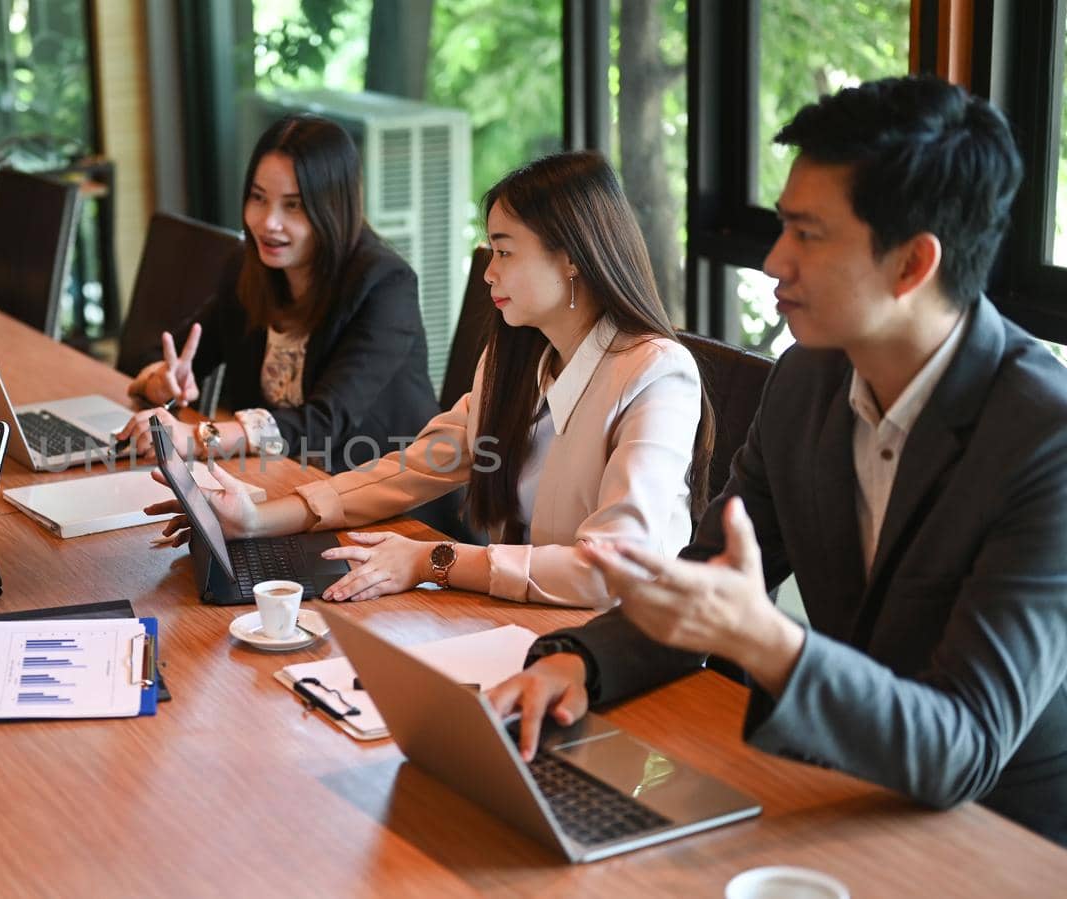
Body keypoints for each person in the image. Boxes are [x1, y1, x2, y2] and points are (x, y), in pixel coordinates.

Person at [488, 76, 1067, 845]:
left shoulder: (1045, 437)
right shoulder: (805, 379)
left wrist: (764, 637)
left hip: (997, 835)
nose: (772, 261)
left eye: (808, 234)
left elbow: (965, 745)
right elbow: (705, 580)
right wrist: (578, 662)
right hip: (833, 790)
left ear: (911, 265)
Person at [149, 151, 711, 608]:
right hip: (514, 622)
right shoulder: (518, 358)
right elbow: (412, 469)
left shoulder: (656, 376)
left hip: (617, 651)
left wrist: (432, 561)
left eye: (504, 252)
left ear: (571, 259)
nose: (489, 271)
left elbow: (608, 571)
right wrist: (256, 519)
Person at [116, 113, 437, 473]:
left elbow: (323, 423)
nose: (268, 222)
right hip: (281, 481)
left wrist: (197, 437)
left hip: (387, 502)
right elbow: (160, 357)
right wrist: (159, 381)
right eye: (258, 197)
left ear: (333, 207)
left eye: (293, 205)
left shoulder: (385, 285)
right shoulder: (248, 268)